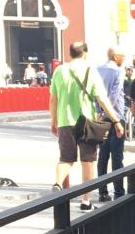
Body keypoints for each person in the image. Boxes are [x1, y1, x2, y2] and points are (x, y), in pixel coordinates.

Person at [48, 41, 124, 211]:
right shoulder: (91, 71)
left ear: (70, 53)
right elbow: (102, 99)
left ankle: (58, 184)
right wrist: (116, 121)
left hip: (64, 121)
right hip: (86, 122)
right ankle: (86, 201)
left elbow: (53, 99)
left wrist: (53, 121)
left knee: (66, 159)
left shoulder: (59, 71)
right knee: (87, 161)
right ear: (85, 53)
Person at [95, 48, 129, 201]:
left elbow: (94, 93)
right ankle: (119, 191)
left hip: (100, 117)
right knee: (117, 155)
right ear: (116, 56)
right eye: (123, 56)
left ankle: (102, 192)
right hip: (116, 117)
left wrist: (100, 111)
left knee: (103, 155)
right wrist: (110, 112)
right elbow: (115, 94)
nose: (124, 59)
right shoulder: (118, 71)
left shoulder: (97, 70)